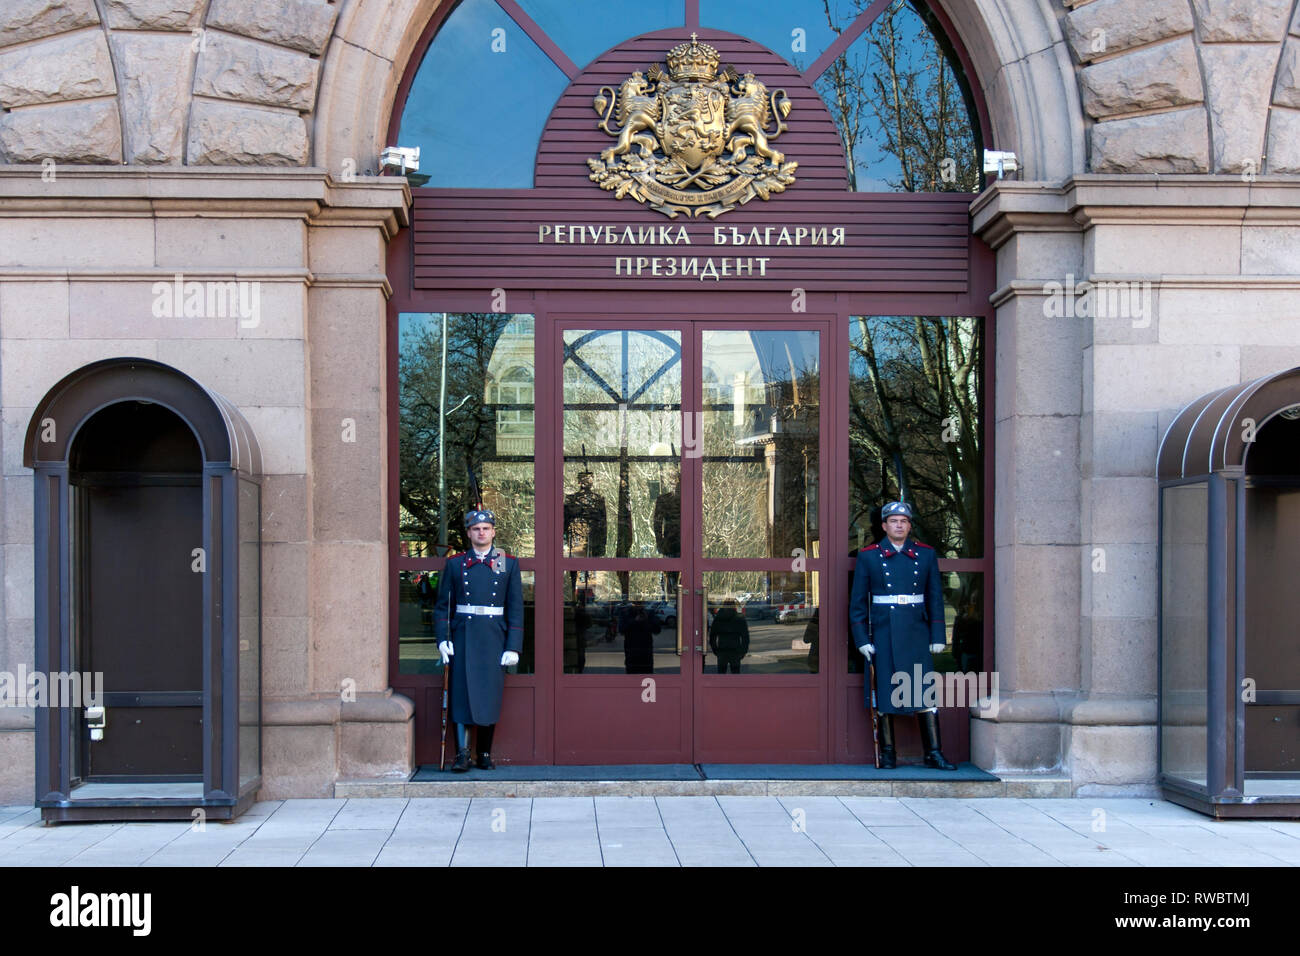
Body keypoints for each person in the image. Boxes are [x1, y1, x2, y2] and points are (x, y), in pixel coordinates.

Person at [849, 500, 957, 770]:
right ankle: (888, 753)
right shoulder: (869, 556)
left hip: (916, 631)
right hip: (884, 633)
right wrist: (861, 639)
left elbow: (934, 597)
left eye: (904, 521)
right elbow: (858, 603)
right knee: (885, 694)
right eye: (894, 521)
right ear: (884, 526)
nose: (899, 525)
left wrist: (937, 635)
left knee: (923, 693)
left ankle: (934, 752)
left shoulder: (926, 555)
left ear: (909, 526)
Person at [434, 508, 524, 772]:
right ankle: (461, 755)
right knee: (460, 694)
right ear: (469, 533)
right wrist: (442, 640)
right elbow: (443, 607)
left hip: (494, 636)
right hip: (463, 635)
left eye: (486, 528)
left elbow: (515, 606)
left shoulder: (504, 561)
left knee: (489, 694)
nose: (481, 532)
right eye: (476, 529)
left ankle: (483, 753)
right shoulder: (455, 563)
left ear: (493, 532)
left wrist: (513, 646)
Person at [708, 598, 749, 674]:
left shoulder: (718, 618)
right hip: (735, 650)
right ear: (734, 606)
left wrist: (716, 650)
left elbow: (712, 636)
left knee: (721, 674)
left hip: (722, 649)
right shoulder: (739, 618)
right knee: (735, 674)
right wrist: (743, 651)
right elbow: (745, 637)